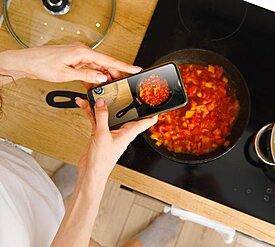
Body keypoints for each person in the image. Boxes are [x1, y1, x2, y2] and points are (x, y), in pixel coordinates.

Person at [0, 43, 181, 247]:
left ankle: (54, 191)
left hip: (17, 184)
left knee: (46, 202)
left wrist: (13, 65)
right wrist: (91, 176)